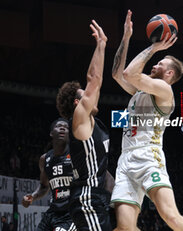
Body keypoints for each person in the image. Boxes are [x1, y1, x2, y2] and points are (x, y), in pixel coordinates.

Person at [111, 10, 183, 231]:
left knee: (171, 217)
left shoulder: (164, 91)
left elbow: (130, 74)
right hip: (126, 159)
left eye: (160, 64)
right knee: (124, 227)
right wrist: (126, 38)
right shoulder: (141, 90)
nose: (155, 65)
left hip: (149, 157)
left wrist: (155, 47)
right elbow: (118, 74)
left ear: (169, 74)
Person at [56, 19, 112, 231]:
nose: (93, 96)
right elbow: (94, 78)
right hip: (88, 198)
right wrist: (101, 45)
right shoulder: (80, 119)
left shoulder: (93, 123)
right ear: (78, 104)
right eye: (86, 95)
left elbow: (95, 84)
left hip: (92, 198)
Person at [22, 118, 76, 231]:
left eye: (66, 127)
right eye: (59, 126)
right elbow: (44, 186)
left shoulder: (77, 154)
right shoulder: (45, 159)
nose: (62, 128)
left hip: (71, 213)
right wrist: (33, 196)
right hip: (53, 211)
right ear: (51, 133)